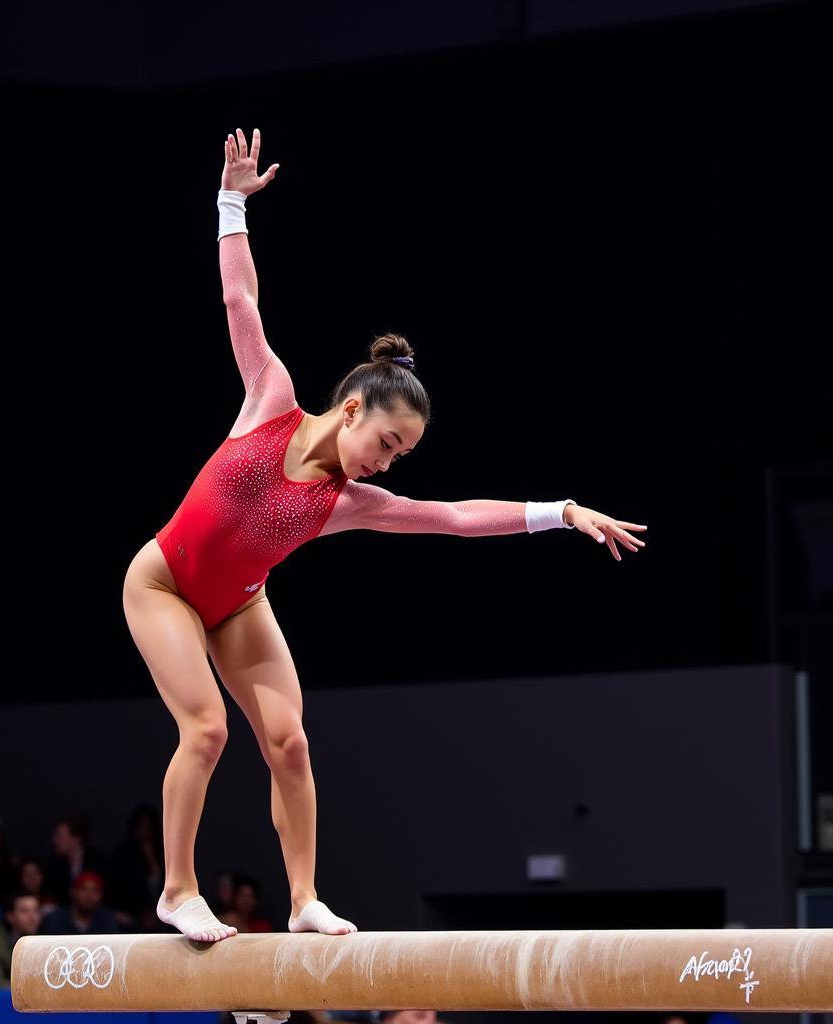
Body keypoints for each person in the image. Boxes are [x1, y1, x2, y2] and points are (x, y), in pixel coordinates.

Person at [122, 126, 649, 944]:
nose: (386, 464)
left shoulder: (350, 502)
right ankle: (179, 889)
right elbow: (239, 303)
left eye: (402, 456)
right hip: (162, 583)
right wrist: (231, 203)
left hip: (235, 604)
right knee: (208, 729)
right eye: (388, 445)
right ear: (355, 408)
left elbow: (452, 517)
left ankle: (304, 902)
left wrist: (558, 510)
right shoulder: (272, 397)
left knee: (291, 743)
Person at [107, 803, 165, 931]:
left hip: (163, 915)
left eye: (148, 825)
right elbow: (119, 886)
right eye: (141, 825)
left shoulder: (164, 851)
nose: (145, 830)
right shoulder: (123, 854)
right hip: (132, 915)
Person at [0, 892, 41, 988]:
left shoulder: (46, 941)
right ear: (10, 916)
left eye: (36, 910)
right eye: (24, 911)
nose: (32, 917)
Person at [39, 871, 119, 936]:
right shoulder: (55, 920)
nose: (89, 896)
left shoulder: (108, 921)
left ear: (101, 895)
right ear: (73, 892)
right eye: (83, 889)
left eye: (95, 891)